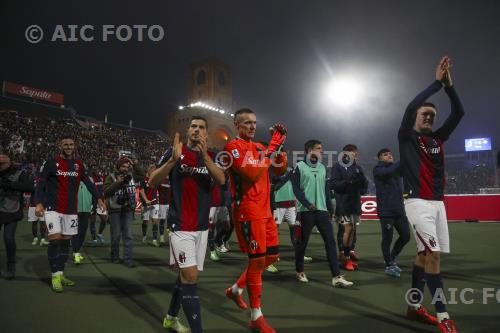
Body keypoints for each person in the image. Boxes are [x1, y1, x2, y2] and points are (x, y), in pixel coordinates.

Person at [399, 56, 463, 333]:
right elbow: (413, 105)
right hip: (417, 203)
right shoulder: (406, 136)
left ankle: (413, 308)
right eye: (424, 114)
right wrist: (436, 83)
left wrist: (450, 87)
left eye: (432, 116)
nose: (428, 116)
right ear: (415, 117)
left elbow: (459, 113)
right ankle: (442, 315)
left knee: (424, 257)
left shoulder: (438, 139)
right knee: (434, 255)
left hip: (438, 204)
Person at [150, 116, 225, 333]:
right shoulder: (174, 152)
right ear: (188, 130)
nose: (196, 130)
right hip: (180, 225)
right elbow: (152, 180)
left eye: (201, 127)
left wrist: (206, 159)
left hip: (201, 228)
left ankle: (171, 317)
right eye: (193, 126)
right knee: (191, 276)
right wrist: (173, 161)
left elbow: (222, 180)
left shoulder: (210, 157)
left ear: (206, 134)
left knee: (185, 276)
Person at [223, 108, 287, 333]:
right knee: (258, 261)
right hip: (248, 211)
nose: (252, 126)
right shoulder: (232, 148)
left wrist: (279, 149)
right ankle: (256, 316)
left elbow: (279, 170)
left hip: (266, 211)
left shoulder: (260, 147)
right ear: (237, 125)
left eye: (254, 122)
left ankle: (236, 289)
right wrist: (270, 149)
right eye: (247, 123)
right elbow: (251, 173)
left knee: (271, 257)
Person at [35, 135, 106, 292]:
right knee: (55, 241)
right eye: (65, 144)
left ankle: (61, 273)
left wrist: (99, 198)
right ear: (60, 146)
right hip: (53, 208)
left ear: (75, 146)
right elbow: (40, 183)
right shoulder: (51, 163)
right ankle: (54, 276)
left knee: (66, 242)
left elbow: (88, 183)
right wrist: (38, 202)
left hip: (71, 210)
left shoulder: (79, 165)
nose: (68, 146)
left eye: (71, 144)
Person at [291, 140, 353, 287]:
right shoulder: (299, 167)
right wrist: (307, 204)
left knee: (330, 243)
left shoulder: (322, 167)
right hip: (306, 211)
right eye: (319, 149)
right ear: (309, 150)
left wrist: (330, 208)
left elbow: (326, 190)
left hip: (322, 212)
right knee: (302, 244)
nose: (321, 151)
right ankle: (299, 271)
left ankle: (336, 276)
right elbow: (296, 190)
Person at [372, 148, 410, 277]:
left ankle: (391, 258)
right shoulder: (378, 169)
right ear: (380, 158)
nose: (389, 155)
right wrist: (405, 157)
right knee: (387, 239)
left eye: (390, 154)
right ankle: (388, 265)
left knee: (406, 236)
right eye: (385, 154)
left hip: (399, 209)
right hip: (386, 210)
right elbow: (390, 171)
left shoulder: (395, 169)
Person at [331, 144, 368, 271]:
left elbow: (363, 188)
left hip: (355, 203)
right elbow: (334, 184)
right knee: (346, 229)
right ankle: (344, 255)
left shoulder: (357, 167)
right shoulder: (338, 166)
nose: (355, 155)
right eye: (353, 152)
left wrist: (363, 182)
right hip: (343, 204)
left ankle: (349, 251)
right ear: (345, 153)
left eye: (356, 153)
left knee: (352, 230)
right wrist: (349, 182)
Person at [104, 156, 144, 267]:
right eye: (123, 166)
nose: (125, 169)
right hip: (115, 210)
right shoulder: (110, 177)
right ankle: (115, 257)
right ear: (118, 166)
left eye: (127, 166)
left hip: (128, 210)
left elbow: (142, 175)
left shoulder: (131, 176)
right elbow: (106, 193)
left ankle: (128, 260)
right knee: (116, 236)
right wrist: (117, 183)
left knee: (128, 236)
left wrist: (135, 164)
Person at [0, 152, 34, 279]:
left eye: (2, 164)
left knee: (8, 238)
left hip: (12, 210)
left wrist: (9, 185)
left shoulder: (19, 173)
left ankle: (11, 266)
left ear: (8, 163)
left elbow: (30, 187)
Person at [72, 175, 93, 265]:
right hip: (76, 210)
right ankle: (76, 252)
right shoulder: (73, 179)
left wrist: (94, 206)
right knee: (75, 232)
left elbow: (93, 192)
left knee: (83, 231)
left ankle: (76, 250)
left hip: (87, 209)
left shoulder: (90, 180)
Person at [140, 165, 160, 246]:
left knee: (155, 221)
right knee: (145, 221)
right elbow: (141, 191)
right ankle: (144, 236)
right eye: (153, 170)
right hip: (145, 204)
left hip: (155, 203)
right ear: (149, 170)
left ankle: (154, 239)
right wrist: (146, 200)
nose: (154, 171)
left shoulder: (155, 179)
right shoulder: (143, 180)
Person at [28, 171, 49, 246]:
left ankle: (42, 239)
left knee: (41, 222)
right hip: (35, 204)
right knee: (35, 222)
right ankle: (36, 238)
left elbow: (47, 192)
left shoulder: (45, 180)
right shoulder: (33, 179)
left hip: (41, 204)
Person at [89, 168, 107, 246]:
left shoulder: (101, 178)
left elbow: (103, 190)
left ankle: (99, 233)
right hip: (92, 202)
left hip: (100, 202)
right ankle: (94, 239)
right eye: (96, 170)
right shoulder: (90, 179)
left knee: (104, 219)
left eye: (98, 170)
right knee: (92, 221)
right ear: (93, 171)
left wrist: (104, 201)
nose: (98, 171)